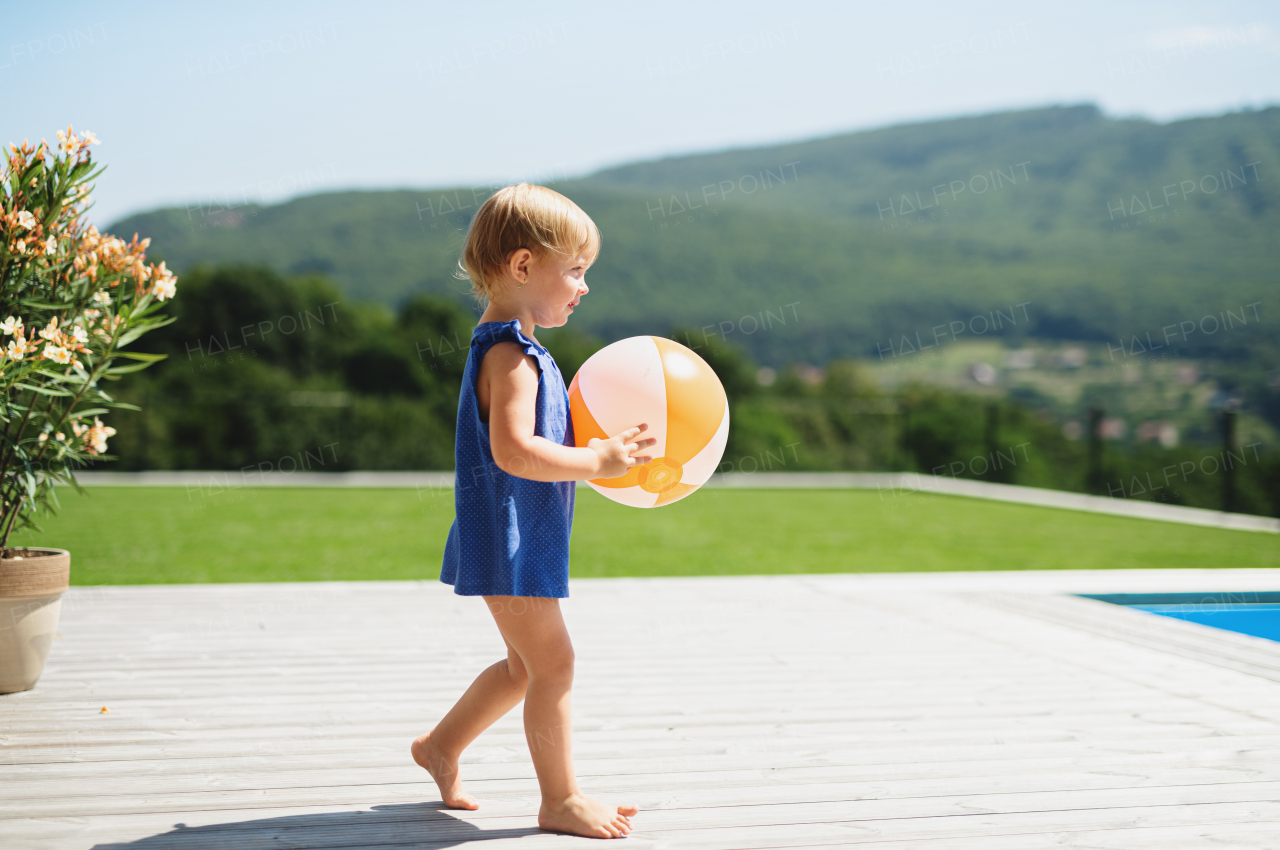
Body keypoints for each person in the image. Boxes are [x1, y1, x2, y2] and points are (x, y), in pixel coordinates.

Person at [412, 183, 652, 839]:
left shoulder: (520, 345)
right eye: (575, 270)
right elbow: (516, 452)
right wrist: (597, 463)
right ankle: (560, 799)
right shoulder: (509, 354)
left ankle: (439, 747)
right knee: (555, 667)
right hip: (506, 539)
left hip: (518, 537)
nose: (584, 286)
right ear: (523, 267)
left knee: (525, 667)